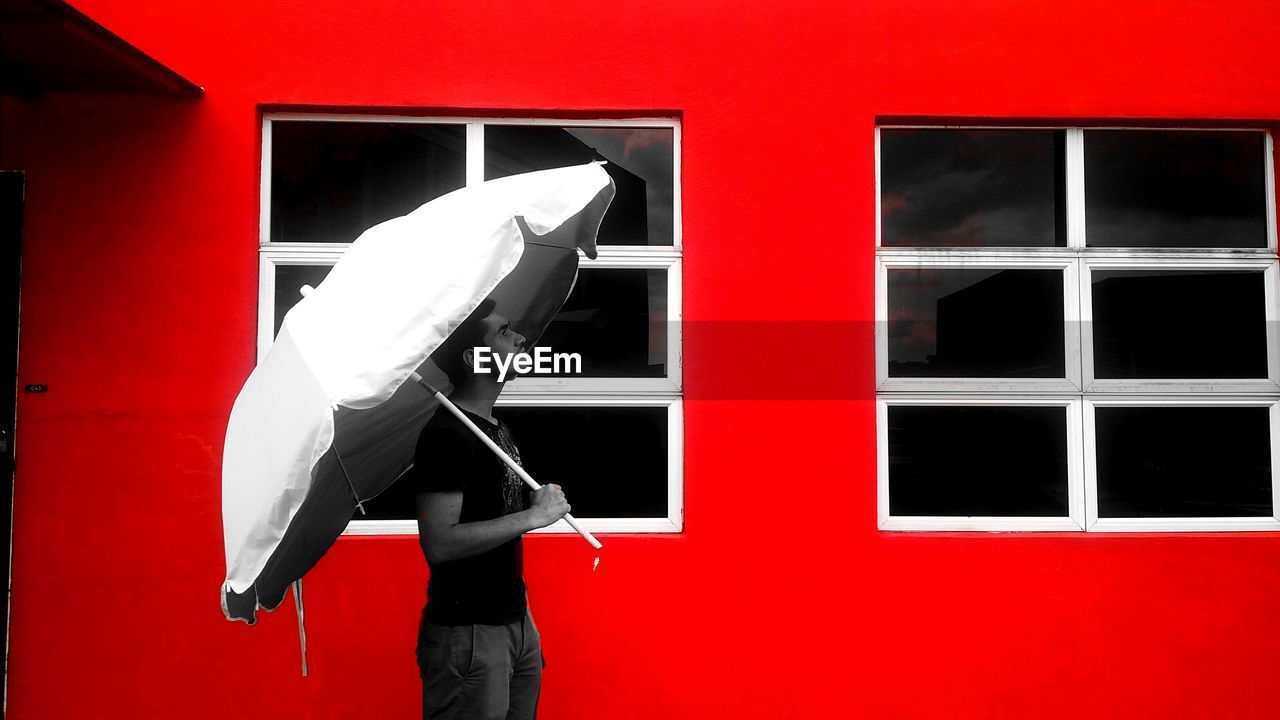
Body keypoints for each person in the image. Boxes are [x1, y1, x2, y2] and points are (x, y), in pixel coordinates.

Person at [413, 298, 571, 720]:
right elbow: (440, 543)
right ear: (475, 357)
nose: (520, 338)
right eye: (503, 332)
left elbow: (499, 532)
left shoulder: (496, 428)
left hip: (513, 624)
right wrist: (533, 517)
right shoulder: (446, 435)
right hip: (468, 635)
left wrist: (524, 624)